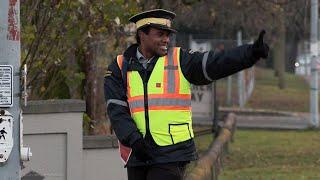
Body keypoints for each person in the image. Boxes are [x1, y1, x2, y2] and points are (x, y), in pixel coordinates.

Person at [104, 9, 269, 180]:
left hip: (172, 154)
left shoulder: (180, 59)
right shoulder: (119, 66)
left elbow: (216, 63)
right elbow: (116, 110)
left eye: (168, 35)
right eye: (160, 34)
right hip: (136, 154)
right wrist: (134, 140)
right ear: (142, 35)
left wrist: (250, 53)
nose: (166, 39)